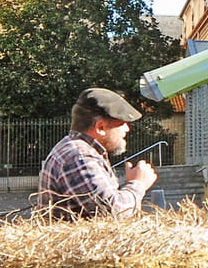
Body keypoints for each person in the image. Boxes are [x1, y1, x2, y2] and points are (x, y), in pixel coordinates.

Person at [37, 87, 157, 219]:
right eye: (122, 123)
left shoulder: (79, 150)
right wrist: (138, 183)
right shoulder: (79, 157)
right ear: (100, 127)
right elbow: (112, 212)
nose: (127, 129)